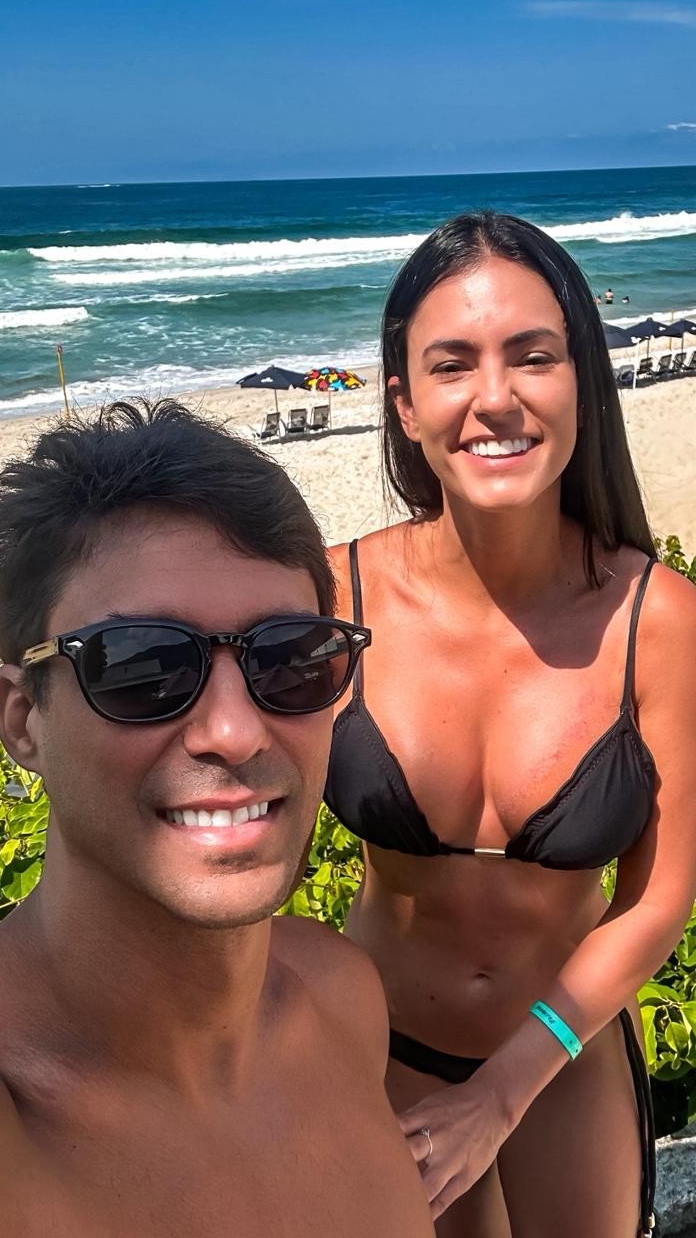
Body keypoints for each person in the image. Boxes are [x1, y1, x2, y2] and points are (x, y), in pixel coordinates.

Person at [0, 400, 435, 1238]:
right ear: (21, 718)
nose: (234, 730)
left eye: (290, 660)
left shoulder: (342, 999)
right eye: (142, 666)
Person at [325, 213, 696, 1238]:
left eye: (534, 356)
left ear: (582, 383)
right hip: (382, 1050)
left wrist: (503, 1089)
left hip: (562, 1053)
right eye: (452, 365)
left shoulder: (660, 620)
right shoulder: (332, 598)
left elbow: (657, 898)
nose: (495, 397)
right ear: (404, 403)